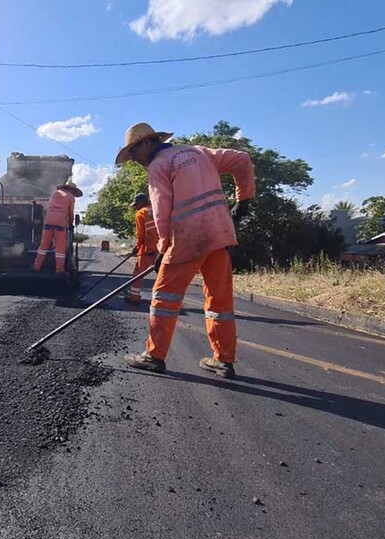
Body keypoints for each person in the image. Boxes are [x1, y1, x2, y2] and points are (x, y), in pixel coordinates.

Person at [116, 122, 254, 379]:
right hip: (218, 234)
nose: (133, 160)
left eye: (133, 153)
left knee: (164, 298)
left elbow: (162, 211)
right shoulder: (200, 152)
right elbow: (242, 160)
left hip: (187, 238)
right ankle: (223, 361)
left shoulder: (159, 166)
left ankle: (154, 356)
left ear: (147, 143)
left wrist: (162, 247)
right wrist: (244, 199)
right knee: (219, 301)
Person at [33, 181, 83, 275]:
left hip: (49, 220)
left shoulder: (55, 193)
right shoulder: (70, 197)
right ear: (71, 189)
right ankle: (59, 269)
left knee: (44, 245)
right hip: (60, 221)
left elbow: (49, 207)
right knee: (60, 247)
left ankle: (37, 266)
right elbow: (70, 212)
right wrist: (70, 224)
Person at [126, 192, 158, 305]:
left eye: (136, 204)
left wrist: (137, 247)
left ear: (141, 203)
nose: (135, 207)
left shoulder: (141, 213)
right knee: (163, 274)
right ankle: (162, 301)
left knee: (138, 274)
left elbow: (141, 235)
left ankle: (134, 297)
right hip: (163, 248)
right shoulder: (158, 208)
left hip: (148, 248)